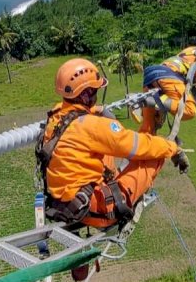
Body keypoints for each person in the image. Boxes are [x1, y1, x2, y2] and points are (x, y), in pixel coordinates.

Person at [37, 58, 188, 228]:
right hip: (94, 211)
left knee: (105, 151)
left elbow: (80, 115)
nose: (96, 95)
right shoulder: (92, 126)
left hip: (65, 204)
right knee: (156, 154)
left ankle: (110, 181)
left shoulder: (56, 116)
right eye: (94, 91)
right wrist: (173, 149)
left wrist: (98, 109)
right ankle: (120, 196)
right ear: (85, 94)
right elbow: (138, 146)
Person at [139, 28, 196, 134]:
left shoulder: (192, 50)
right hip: (169, 76)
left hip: (152, 74)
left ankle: (144, 145)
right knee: (189, 110)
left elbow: (190, 73)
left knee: (148, 127)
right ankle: (154, 100)